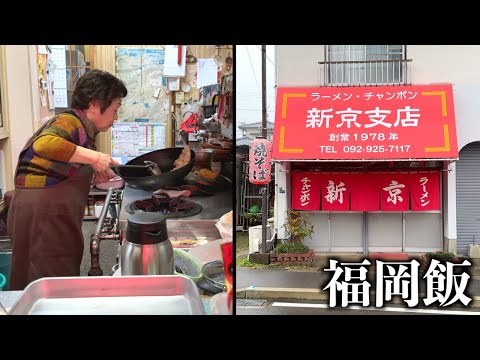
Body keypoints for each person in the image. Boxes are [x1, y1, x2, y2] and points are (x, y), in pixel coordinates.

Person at [7, 69, 127, 290]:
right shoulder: (69, 121)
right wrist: (94, 157)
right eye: (115, 109)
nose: (116, 117)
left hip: (52, 215)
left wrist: (94, 171)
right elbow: (44, 144)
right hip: (44, 218)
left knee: (53, 277)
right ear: (94, 104)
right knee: (47, 283)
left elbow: (61, 169)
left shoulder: (85, 130)